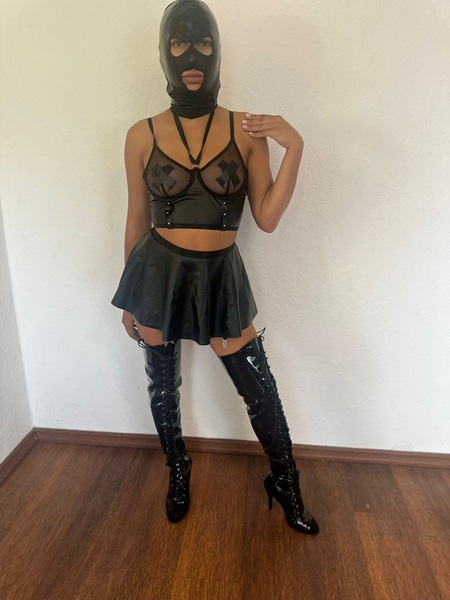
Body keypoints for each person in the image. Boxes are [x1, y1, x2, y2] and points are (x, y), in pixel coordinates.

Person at [112, 0, 319, 535]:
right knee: (162, 385)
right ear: (164, 52)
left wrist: (295, 146)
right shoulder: (140, 134)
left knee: (258, 385)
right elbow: (136, 218)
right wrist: (130, 296)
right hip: (156, 273)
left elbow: (266, 218)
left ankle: (286, 481)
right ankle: (178, 471)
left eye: (203, 42)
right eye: (178, 43)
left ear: (218, 49)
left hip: (220, 274)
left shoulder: (246, 130)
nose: (192, 56)